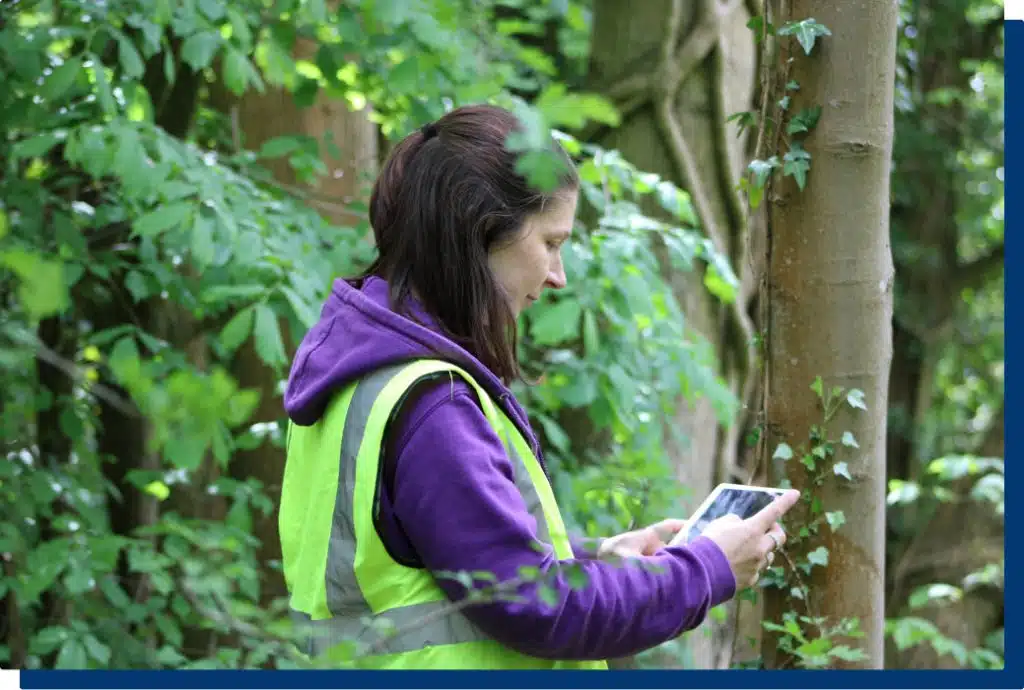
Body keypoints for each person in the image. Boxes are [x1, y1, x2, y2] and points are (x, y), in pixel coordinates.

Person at [278, 104, 799, 670]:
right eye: (550, 243)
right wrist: (706, 571)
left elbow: (442, 570)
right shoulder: (434, 405)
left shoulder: (359, 376)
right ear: (481, 232)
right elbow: (540, 610)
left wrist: (599, 556)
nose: (559, 275)